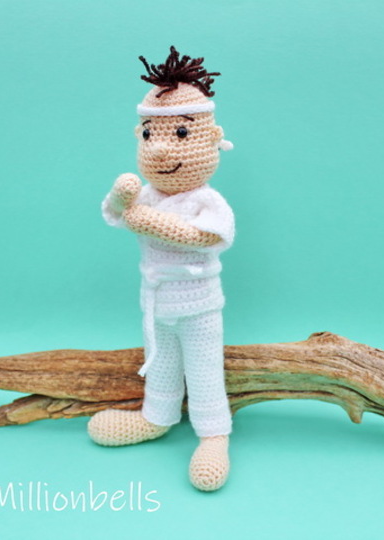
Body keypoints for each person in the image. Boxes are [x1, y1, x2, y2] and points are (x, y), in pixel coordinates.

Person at [88, 47, 235, 492]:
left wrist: (149, 222)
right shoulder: (148, 194)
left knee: (205, 371)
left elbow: (207, 236)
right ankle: (156, 417)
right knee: (162, 365)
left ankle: (214, 435)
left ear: (212, 139)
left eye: (181, 132)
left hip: (199, 307)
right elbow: (115, 214)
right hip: (155, 304)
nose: (160, 148)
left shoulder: (206, 199)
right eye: (149, 134)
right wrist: (121, 197)